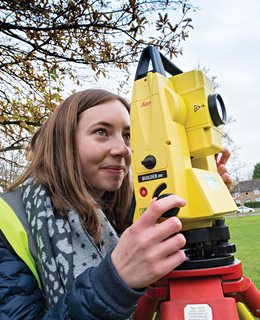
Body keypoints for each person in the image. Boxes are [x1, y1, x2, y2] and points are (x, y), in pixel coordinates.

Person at [0, 89, 233, 320]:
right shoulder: (8, 217)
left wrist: (199, 193)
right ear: (63, 142)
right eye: (102, 132)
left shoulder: (136, 209)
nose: (123, 149)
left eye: (128, 135)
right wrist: (113, 283)